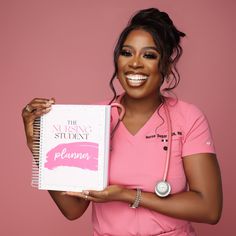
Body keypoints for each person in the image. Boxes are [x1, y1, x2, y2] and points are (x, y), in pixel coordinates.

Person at [22, 8, 222, 236]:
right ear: (117, 61)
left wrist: (128, 195)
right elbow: (72, 209)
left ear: (165, 65)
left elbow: (209, 208)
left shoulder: (188, 118)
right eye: (127, 53)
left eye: (149, 55)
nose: (135, 63)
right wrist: (38, 146)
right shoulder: (91, 119)